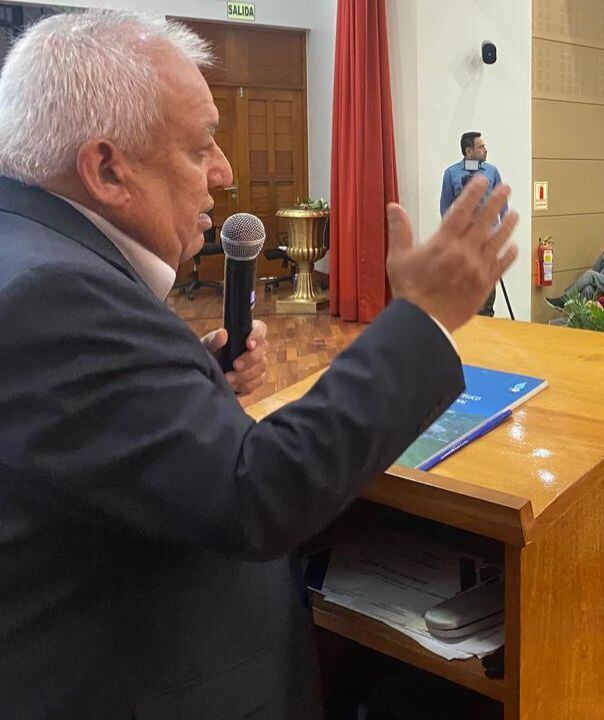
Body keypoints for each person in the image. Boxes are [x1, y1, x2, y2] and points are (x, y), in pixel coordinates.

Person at [0, 11, 519, 718]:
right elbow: (254, 495)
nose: (224, 172)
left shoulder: (29, 251)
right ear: (107, 168)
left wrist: (188, 385)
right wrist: (424, 319)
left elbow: (80, 439)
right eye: (201, 148)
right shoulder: (53, 295)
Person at [442, 131, 506, 316]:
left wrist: (502, 231)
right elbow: (445, 207)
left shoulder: (492, 172)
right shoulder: (451, 174)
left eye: (484, 146)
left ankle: (487, 315)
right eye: (481, 147)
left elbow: (502, 203)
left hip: (488, 238)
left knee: (487, 281)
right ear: (468, 151)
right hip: (464, 239)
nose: (485, 150)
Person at [545, 226, 604, 309]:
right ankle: (578, 317)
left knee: (590, 274)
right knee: (587, 289)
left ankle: (565, 299)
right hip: (603, 283)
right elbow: (595, 269)